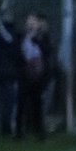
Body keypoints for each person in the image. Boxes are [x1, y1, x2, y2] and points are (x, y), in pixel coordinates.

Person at [16, 12, 47, 140]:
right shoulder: (21, 37)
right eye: (29, 21)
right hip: (25, 75)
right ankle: (19, 131)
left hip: (37, 76)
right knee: (21, 103)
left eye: (33, 21)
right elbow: (17, 54)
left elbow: (47, 51)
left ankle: (38, 130)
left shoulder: (42, 37)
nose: (31, 24)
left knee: (37, 103)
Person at [0, 7, 20, 137]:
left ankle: (7, 128)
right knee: (3, 102)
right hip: (1, 73)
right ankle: (4, 127)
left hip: (10, 73)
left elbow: (8, 39)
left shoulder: (12, 33)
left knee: (9, 101)